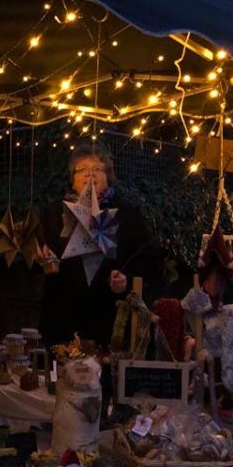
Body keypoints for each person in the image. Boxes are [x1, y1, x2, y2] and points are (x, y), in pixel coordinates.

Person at [39, 144, 157, 351]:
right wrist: (44, 259)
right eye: (82, 169)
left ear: (108, 176)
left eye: (97, 169)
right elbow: (38, 251)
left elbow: (147, 260)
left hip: (109, 319)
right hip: (63, 317)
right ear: (72, 178)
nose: (89, 175)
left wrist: (126, 279)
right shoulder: (53, 213)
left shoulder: (127, 215)